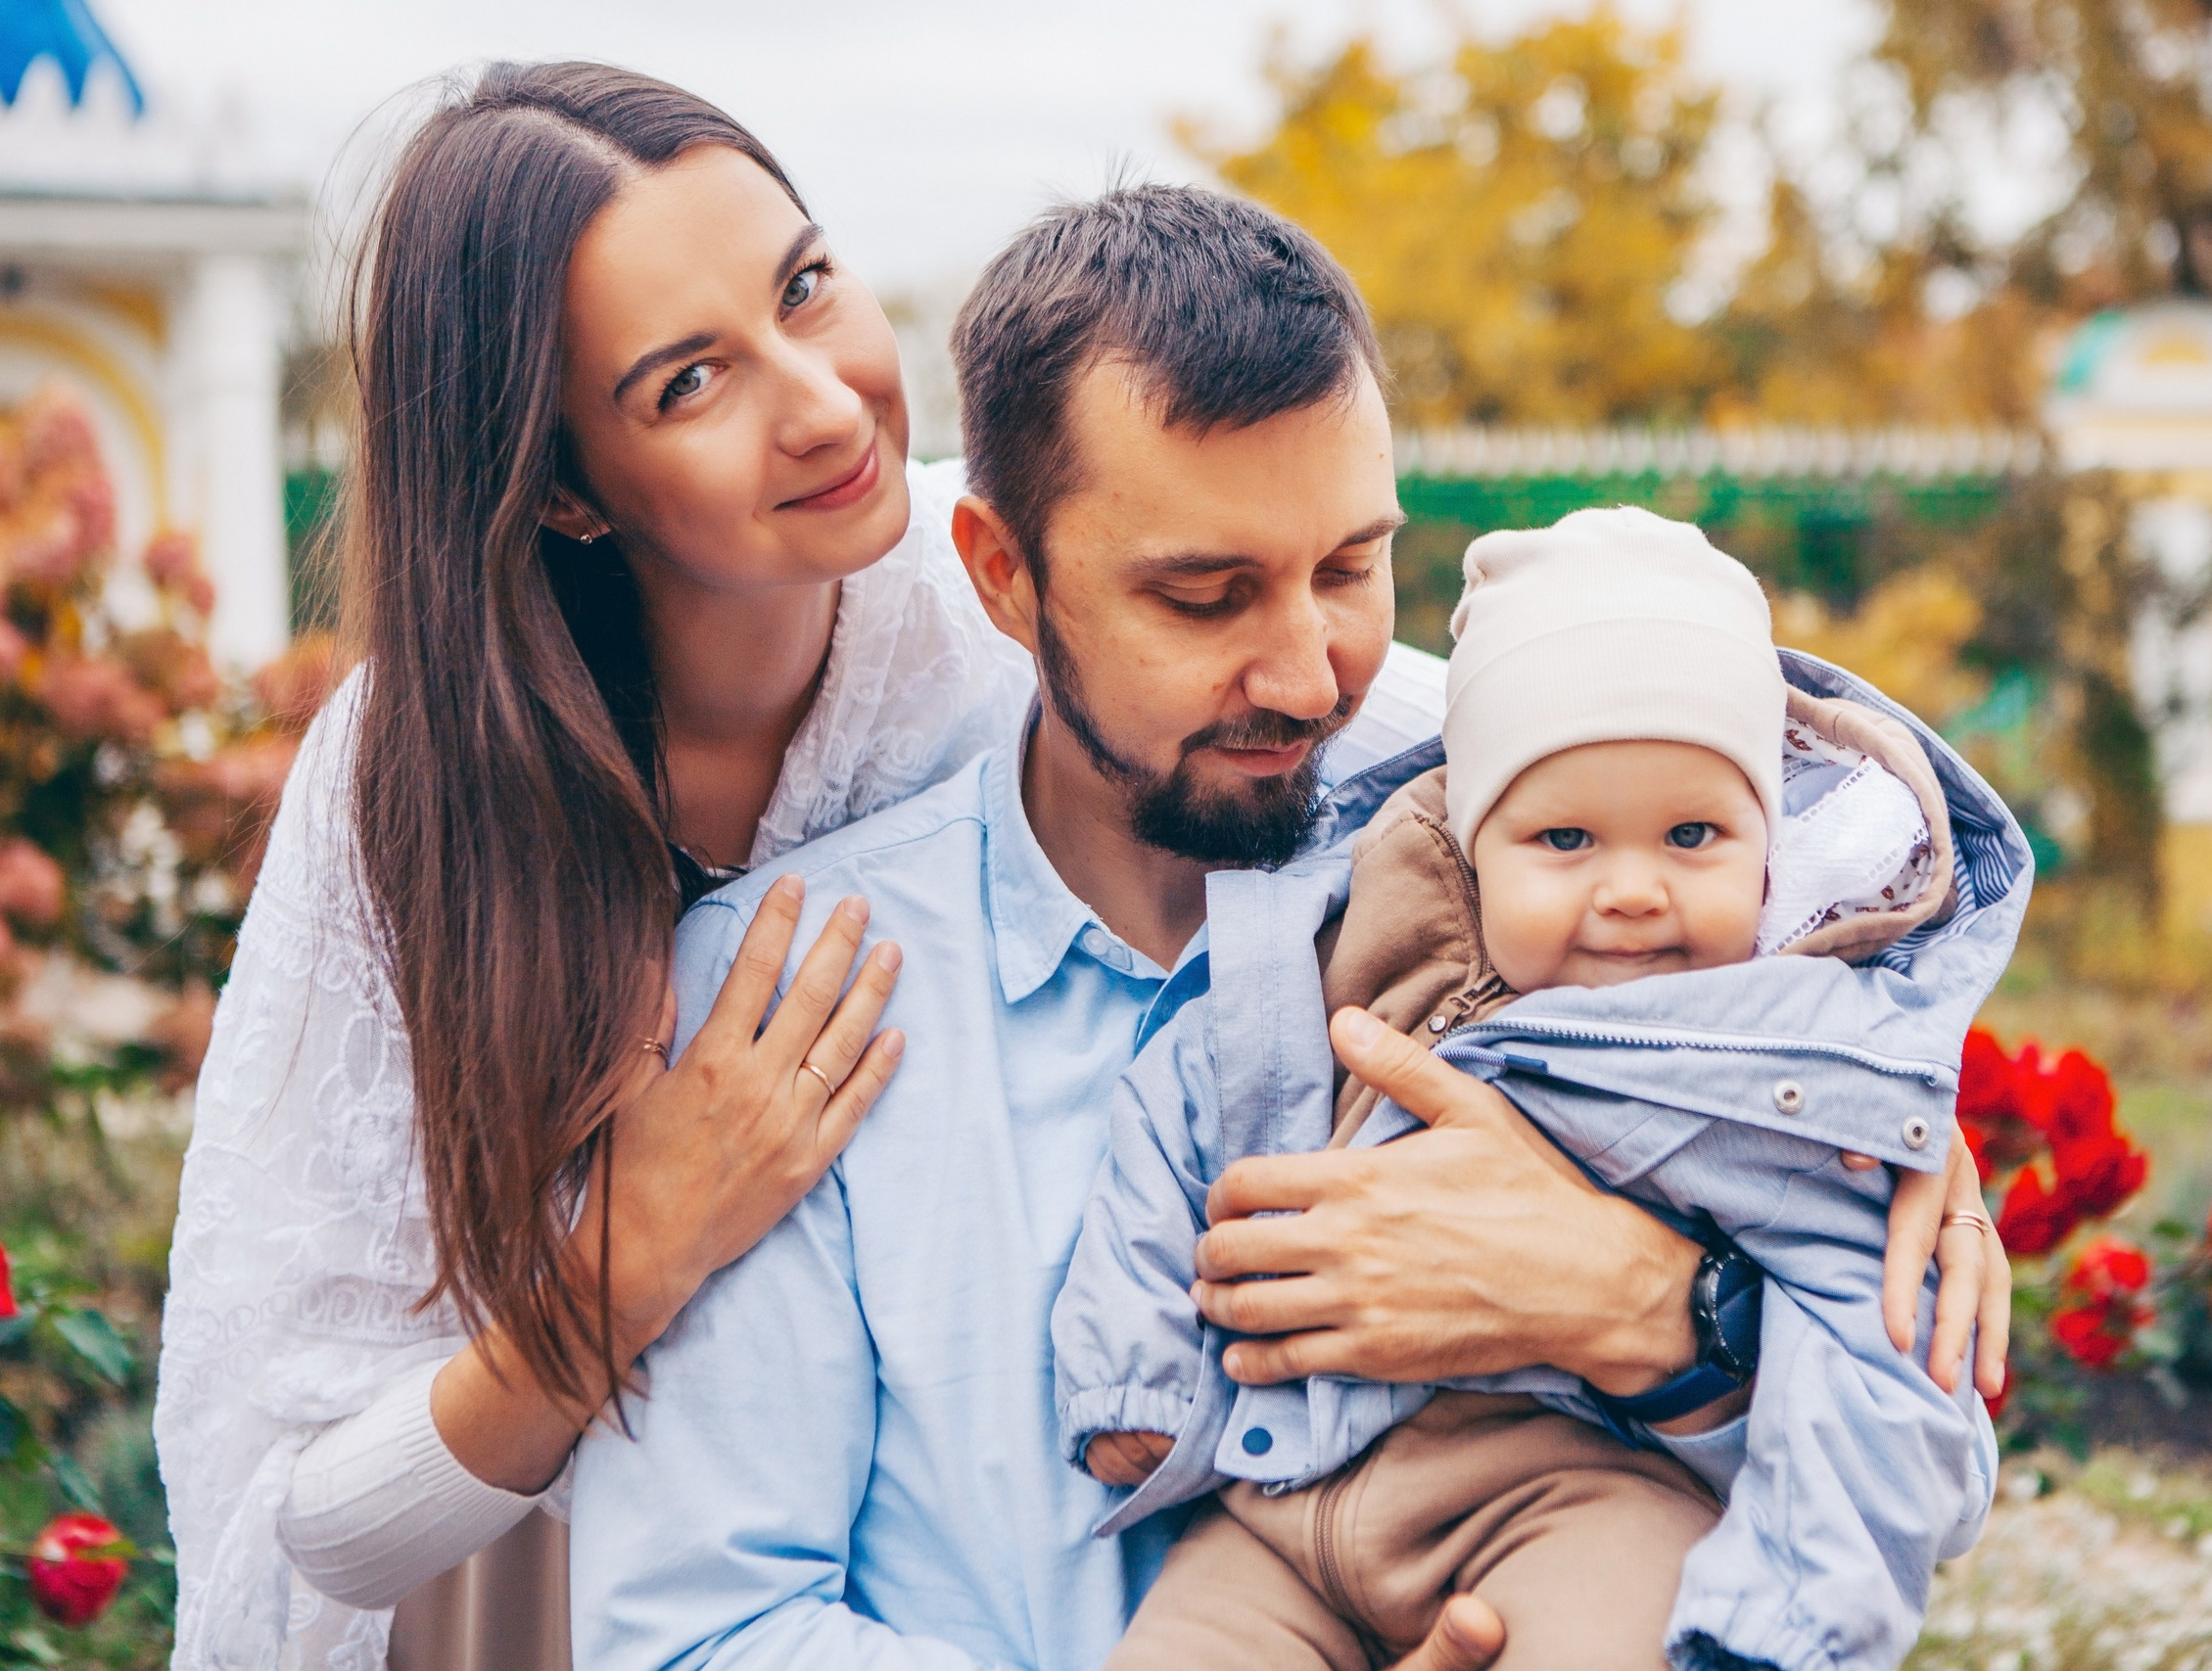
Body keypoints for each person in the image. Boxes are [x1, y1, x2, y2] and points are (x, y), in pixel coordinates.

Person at [569, 184, 2009, 1671]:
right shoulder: (795, 992)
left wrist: (1673, 1321)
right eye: (1205, 596)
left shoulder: (1589, 865)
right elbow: (695, 1632)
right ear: (1004, 574)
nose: (1314, 676)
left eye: (1348, 567)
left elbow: (1932, 1475)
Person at [153, 63, 1103, 1671]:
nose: (821, 399)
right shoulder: (414, 788)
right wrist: (630, 1254)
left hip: (981, 1571)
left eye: (806, 286)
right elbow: (309, 1515)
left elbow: (1405, 723)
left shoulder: (1009, 607)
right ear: (568, 489)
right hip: (549, 1607)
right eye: (687, 382)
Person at [1057, 507, 2023, 1671]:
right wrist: (1135, 1377)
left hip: (1575, 1497)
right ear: (1472, 842)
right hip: (1281, 1495)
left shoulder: (1781, 1072)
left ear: (1768, 852)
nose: (1630, 889)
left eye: (1692, 834)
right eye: (1565, 838)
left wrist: (1790, 1624)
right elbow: (1177, 1112)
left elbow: (1890, 1377)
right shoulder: (1337, 954)